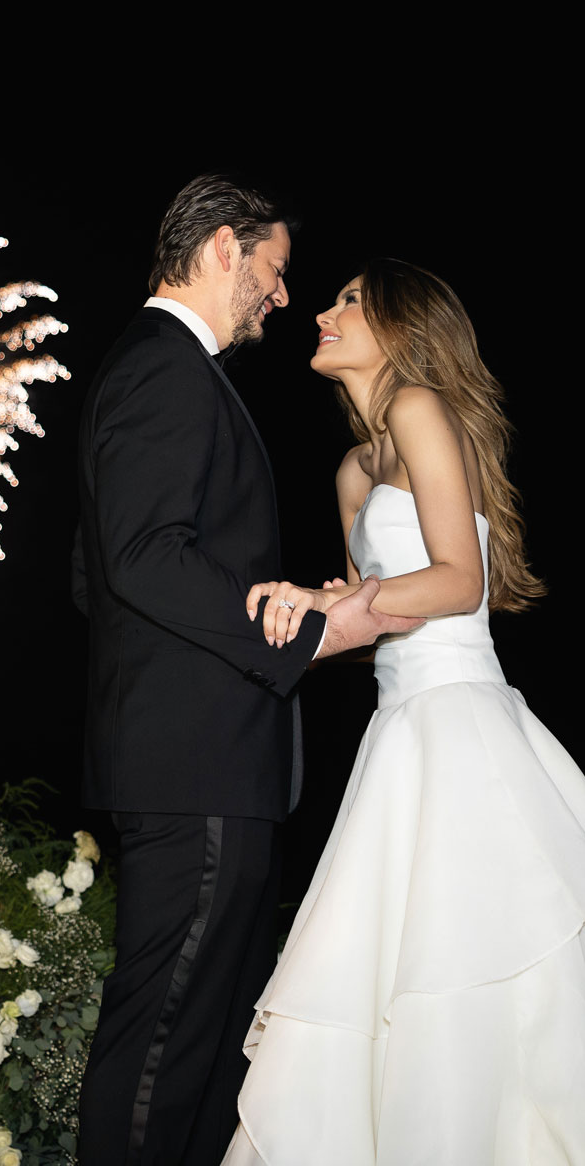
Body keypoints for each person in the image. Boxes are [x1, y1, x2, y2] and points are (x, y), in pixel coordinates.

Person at [72, 178, 420, 1166]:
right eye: (273, 271)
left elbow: (93, 576)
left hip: (197, 759)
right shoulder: (163, 367)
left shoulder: (158, 370)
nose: (279, 296)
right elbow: (140, 558)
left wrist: (280, 602)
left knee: (206, 1057)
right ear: (224, 247)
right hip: (195, 769)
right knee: (161, 1049)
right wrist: (303, 634)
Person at [222, 260, 585, 1165]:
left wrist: (318, 599)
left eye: (350, 301)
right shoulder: (353, 469)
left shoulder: (423, 406)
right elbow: (378, 615)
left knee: (461, 962)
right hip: (398, 733)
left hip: (461, 723)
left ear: (403, 326)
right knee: (392, 971)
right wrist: (312, 614)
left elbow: (460, 583)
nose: (323, 311)